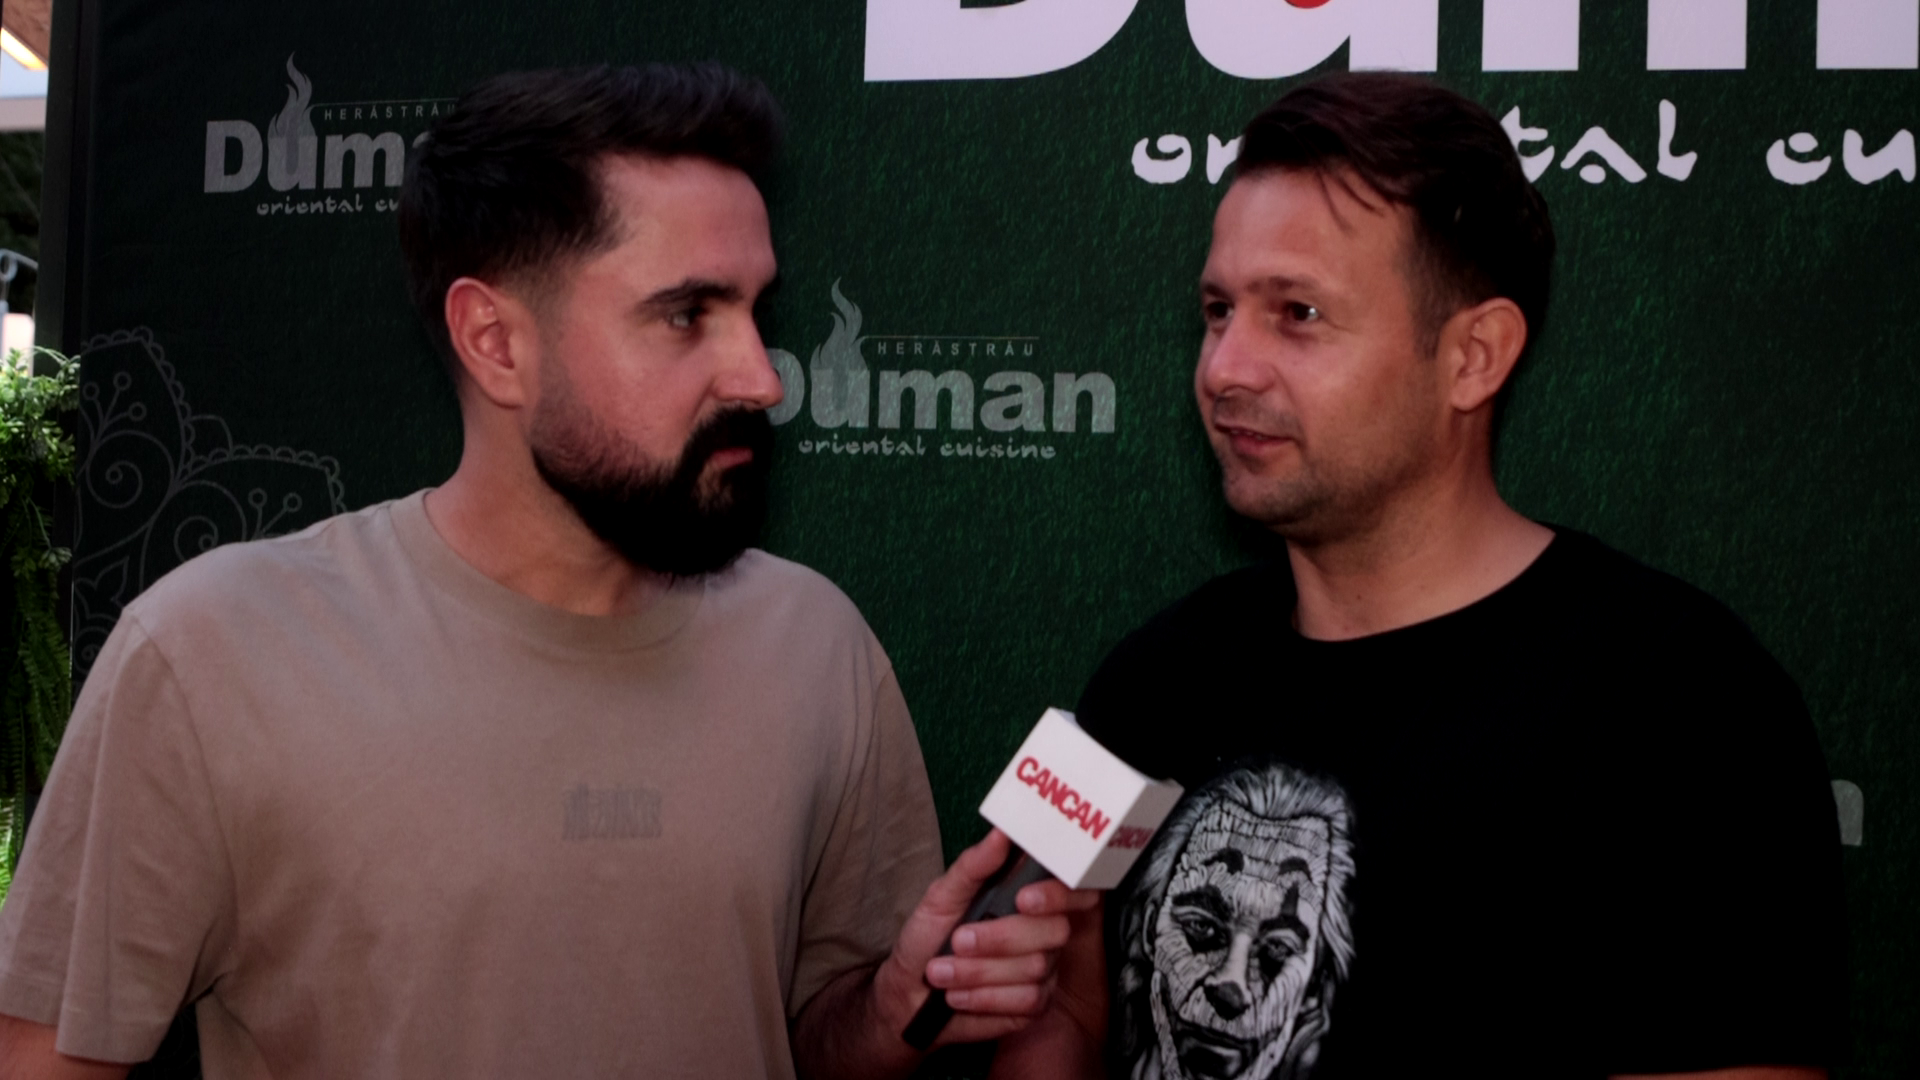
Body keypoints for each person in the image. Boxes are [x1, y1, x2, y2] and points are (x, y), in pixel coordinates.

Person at [0, 64, 1090, 1079]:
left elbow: (810, 1040)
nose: (762, 377)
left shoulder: (817, 646)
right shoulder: (216, 653)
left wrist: (894, 1006)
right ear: (496, 342)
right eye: (687, 314)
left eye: (757, 311)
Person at [993, 74, 1845, 1080]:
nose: (1225, 368)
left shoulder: (1684, 706)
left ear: (1474, 356)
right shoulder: (1152, 680)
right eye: (1218, 310)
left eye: (1299, 312)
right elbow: (1063, 1013)